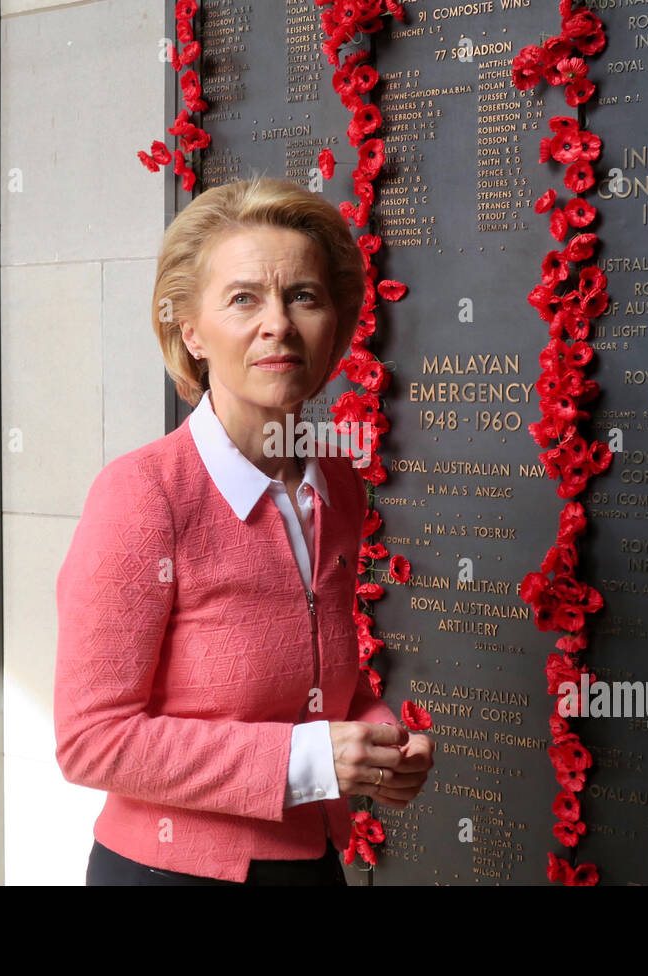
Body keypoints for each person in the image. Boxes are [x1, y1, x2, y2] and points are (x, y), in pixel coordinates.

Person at [54, 175, 435, 885]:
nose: (279, 325)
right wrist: (310, 760)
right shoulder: (142, 495)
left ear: (335, 326)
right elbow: (90, 741)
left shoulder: (338, 481)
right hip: (169, 874)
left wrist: (382, 740)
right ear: (190, 331)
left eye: (304, 297)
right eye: (243, 298)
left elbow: (324, 684)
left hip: (313, 860)